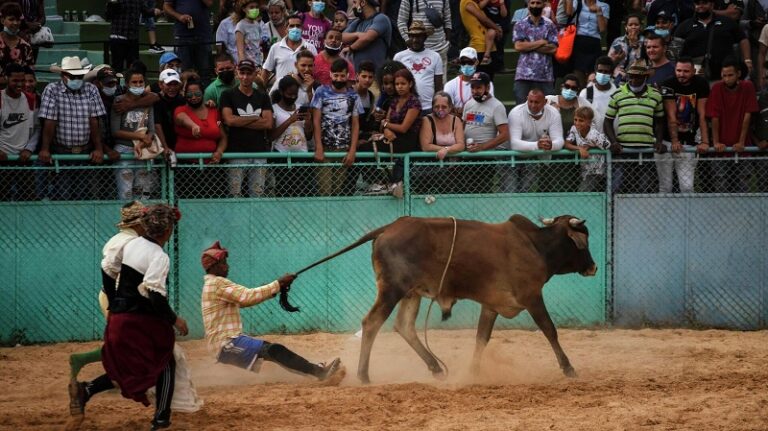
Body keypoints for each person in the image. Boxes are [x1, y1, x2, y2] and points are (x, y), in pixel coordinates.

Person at [68, 204, 188, 430]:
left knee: (129, 368)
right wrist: (174, 320)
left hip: (119, 319)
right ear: (168, 230)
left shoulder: (131, 245)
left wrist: (113, 303)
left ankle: (87, 390)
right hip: (140, 321)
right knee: (165, 362)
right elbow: (154, 294)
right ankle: (161, 419)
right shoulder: (159, 256)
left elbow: (107, 269)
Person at [199, 241, 345, 383]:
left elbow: (244, 297)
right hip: (226, 343)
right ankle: (318, 372)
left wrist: (274, 289)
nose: (227, 266)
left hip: (228, 341)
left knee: (273, 350)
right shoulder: (217, 283)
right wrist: (278, 284)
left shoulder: (214, 285)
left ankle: (316, 371)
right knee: (274, 350)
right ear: (214, 266)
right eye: (223, 263)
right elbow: (247, 297)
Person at [38, 56, 111, 200]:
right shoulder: (52, 89)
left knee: (85, 195)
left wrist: (98, 148)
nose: (77, 79)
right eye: (73, 76)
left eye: (79, 76)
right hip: (61, 151)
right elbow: (49, 121)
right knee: (63, 195)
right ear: (63, 75)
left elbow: (94, 120)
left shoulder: (91, 89)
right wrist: (45, 148)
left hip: (85, 151)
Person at [603, 59, 665, 194]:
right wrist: (613, 142)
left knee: (646, 188)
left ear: (645, 77)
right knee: (618, 187)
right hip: (623, 150)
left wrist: (659, 141)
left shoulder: (656, 95)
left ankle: (645, 215)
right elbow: (607, 121)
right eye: (631, 76)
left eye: (638, 77)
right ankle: (615, 214)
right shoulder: (617, 94)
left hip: (646, 150)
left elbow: (660, 121)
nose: (633, 80)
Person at [220, 59, 274, 197]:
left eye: (248, 73)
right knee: (234, 193)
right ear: (237, 73)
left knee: (257, 193)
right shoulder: (228, 95)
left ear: (255, 74)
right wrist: (255, 117)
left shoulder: (262, 96)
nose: (245, 76)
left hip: (259, 151)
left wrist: (240, 120)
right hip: (236, 152)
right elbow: (229, 121)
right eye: (242, 72)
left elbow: (268, 123)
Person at [705, 57, 758, 192]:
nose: (727, 79)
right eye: (724, 75)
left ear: (738, 74)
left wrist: (741, 142)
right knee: (721, 185)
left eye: (730, 75)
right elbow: (714, 116)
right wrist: (716, 142)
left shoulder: (747, 86)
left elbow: (748, 114)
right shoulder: (717, 88)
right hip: (721, 149)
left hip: (742, 147)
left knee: (743, 186)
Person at [657, 57, 709, 193]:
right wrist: (674, 140)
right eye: (678, 70)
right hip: (667, 140)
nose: (681, 74)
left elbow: (702, 114)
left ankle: (687, 214)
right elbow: (671, 114)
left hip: (689, 141)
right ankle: (664, 214)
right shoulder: (668, 83)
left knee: (687, 187)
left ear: (693, 71)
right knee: (665, 186)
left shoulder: (701, 83)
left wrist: (704, 141)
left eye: (686, 71)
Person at [311, 58, 362, 196]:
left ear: (347, 76)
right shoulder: (321, 92)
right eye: (336, 75)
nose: (339, 79)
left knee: (338, 191)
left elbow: (355, 124)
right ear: (330, 74)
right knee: (324, 191)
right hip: (325, 148)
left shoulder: (353, 96)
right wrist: (319, 147)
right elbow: (316, 120)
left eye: (342, 75)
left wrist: (352, 150)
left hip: (344, 149)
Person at [174, 79, 228, 197]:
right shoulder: (181, 110)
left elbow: (223, 136)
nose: (193, 97)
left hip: (211, 168)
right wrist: (193, 125)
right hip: (186, 169)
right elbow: (181, 118)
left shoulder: (214, 111)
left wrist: (219, 151)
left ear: (203, 93)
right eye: (189, 94)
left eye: (197, 94)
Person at [111, 68, 159, 200]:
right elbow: (115, 131)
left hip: (144, 150)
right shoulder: (118, 101)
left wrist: (146, 140)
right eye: (134, 82)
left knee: (143, 193)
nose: (138, 85)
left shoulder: (148, 101)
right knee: (125, 193)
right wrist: (140, 136)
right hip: (124, 150)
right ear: (127, 84)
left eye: (141, 82)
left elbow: (152, 129)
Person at [675, 0, 750, 82]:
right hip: (695, 76)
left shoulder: (727, 22)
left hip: (724, 75)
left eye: (704, 3)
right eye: (698, 3)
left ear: (712, 5)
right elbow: (675, 47)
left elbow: (743, 39)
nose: (701, 6)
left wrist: (747, 60)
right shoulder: (685, 26)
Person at [506, 87, 564, 192]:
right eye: (530, 101)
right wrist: (538, 145)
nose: (533, 105)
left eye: (537, 102)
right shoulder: (516, 113)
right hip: (510, 156)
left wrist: (551, 145)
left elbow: (559, 140)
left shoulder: (554, 113)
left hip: (532, 157)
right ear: (527, 99)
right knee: (510, 190)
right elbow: (514, 144)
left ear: (545, 102)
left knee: (526, 191)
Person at [462, 71, 509, 193]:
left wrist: (482, 147)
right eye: (472, 87)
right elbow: (462, 127)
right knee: (465, 192)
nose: (474, 91)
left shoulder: (497, 106)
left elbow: (505, 134)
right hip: (467, 156)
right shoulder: (468, 104)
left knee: (482, 192)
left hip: (485, 159)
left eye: (478, 87)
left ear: (487, 87)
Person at [0, 63, 38, 201]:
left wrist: (29, 148)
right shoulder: (1, 98)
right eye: (15, 80)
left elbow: (37, 128)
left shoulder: (31, 99)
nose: (20, 84)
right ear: (6, 78)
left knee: (29, 200)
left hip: (23, 159)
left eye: (22, 80)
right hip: (2, 160)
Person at [271, 75, 313, 196]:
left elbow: (308, 136)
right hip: (282, 156)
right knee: (284, 193)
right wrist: (290, 120)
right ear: (282, 92)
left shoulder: (300, 108)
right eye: (289, 94)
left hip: (302, 156)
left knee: (302, 192)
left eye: (295, 95)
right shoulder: (274, 109)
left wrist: (308, 122)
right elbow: (271, 136)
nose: (292, 97)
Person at [416, 91, 466, 194]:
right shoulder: (427, 120)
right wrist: (443, 149)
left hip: (453, 170)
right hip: (432, 169)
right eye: (437, 106)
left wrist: (446, 150)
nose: (440, 110)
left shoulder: (456, 120)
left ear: (450, 107)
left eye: (444, 107)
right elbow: (426, 146)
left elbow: (461, 144)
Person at [381, 68, 422, 189]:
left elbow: (404, 128)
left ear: (410, 84)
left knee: (365, 148)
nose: (399, 87)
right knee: (364, 146)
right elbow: (385, 122)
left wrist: (386, 125)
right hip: (392, 137)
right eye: (397, 84)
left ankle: (388, 183)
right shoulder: (394, 101)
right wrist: (386, 129)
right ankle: (382, 182)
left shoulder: (414, 102)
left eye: (403, 83)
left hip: (407, 140)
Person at [512, 0, 558, 105]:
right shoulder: (520, 24)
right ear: (528, 5)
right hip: (523, 75)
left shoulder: (549, 25)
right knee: (521, 108)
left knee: (548, 108)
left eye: (538, 3)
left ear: (543, 5)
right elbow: (518, 46)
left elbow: (553, 48)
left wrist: (528, 45)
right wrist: (542, 42)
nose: (535, 6)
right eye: (532, 3)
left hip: (545, 75)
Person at [393, 21, 444, 115]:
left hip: (428, 107)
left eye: (418, 36)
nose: (415, 40)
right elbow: (394, 83)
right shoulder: (399, 57)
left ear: (425, 37)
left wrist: (436, 105)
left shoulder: (435, 56)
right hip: (405, 107)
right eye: (412, 36)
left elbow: (439, 86)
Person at [262, 14, 317, 93]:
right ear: (286, 29)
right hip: (280, 94)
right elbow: (266, 70)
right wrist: (262, 92)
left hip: (304, 93)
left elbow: (315, 70)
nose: (295, 28)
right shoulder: (276, 47)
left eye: (298, 26)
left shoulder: (310, 47)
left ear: (302, 28)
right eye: (292, 26)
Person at [163, 0, 214, 84]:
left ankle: (205, 96)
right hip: (182, 35)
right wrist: (179, 16)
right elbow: (166, 6)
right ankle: (184, 95)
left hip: (203, 34)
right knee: (183, 72)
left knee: (205, 72)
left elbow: (209, 3)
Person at [563, 106, 611, 191]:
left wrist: (592, 145)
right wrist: (580, 148)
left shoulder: (594, 135)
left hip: (596, 170)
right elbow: (567, 144)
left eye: (581, 120)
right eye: (575, 119)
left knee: (582, 193)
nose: (577, 123)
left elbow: (607, 145)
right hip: (584, 169)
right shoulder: (574, 129)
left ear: (589, 122)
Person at [396, 0, 453, 72]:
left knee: (440, 81)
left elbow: (448, 20)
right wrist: (408, 40)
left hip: (440, 49)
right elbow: (401, 21)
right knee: (418, 81)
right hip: (416, 50)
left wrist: (447, 42)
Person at [566, 0, 610, 86]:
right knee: (578, 73)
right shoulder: (577, 2)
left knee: (592, 73)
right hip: (579, 40)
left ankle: (590, 95)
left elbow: (602, 29)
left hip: (594, 41)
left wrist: (599, 11)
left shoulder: (604, 6)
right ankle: (579, 95)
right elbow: (569, 13)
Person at [342, 0, 393, 72]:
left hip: (375, 75)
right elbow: (342, 37)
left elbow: (367, 38)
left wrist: (350, 48)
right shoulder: (358, 22)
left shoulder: (381, 18)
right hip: (358, 75)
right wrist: (357, 34)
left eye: (355, 2)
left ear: (363, 3)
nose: (353, 6)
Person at [443, 47, 494, 115]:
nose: (466, 65)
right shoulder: (450, 85)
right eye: (463, 62)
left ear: (476, 62)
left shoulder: (487, 84)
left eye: (470, 62)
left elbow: (489, 106)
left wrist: (466, 113)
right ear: (460, 63)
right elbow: (448, 110)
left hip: (479, 122)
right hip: (457, 123)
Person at [459, 0, 500, 71]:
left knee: (488, 78)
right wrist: (498, 29)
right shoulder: (467, 2)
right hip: (478, 46)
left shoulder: (475, 4)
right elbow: (484, 20)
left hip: (488, 45)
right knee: (480, 77)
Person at [580, 56, 616, 133]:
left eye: (606, 72)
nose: (603, 74)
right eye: (600, 71)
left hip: (614, 139)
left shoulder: (618, 93)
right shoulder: (585, 93)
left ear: (611, 73)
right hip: (592, 141)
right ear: (595, 71)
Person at [154, 69, 186, 154]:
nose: (172, 88)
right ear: (160, 84)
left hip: (179, 145)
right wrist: (165, 147)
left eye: (175, 84)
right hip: (160, 146)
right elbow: (157, 125)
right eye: (169, 84)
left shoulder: (182, 100)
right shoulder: (155, 100)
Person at [105, 0, 143, 73]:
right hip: (118, 37)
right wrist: (113, 5)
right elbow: (108, 16)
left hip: (132, 38)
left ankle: (131, 83)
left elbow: (145, 11)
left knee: (134, 67)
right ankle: (116, 83)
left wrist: (155, 11)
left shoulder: (138, 1)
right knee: (117, 67)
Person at [608, 13, 644, 85]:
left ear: (640, 27)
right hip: (618, 79)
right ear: (626, 27)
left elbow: (645, 64)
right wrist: (616, 60)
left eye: (636, 25)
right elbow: (608, 63)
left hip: (636, 81)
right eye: (630, 25)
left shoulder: (645, 42)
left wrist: (635, 46)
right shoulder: (618, 41)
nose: (633, 27)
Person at [0, 3, 34, 78]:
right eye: (11, 19)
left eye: (18, 19)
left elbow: (29, 75)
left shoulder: (26, 47)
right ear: (2, 21)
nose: (15, 23)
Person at [235, 0, 265, 67]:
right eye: (251, 7)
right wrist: (244, 66)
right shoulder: (241, 26)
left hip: (259, 64)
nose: (255, 9)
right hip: (249, 66)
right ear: (244, 9)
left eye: (256, 7)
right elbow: (240, 52)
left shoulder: (257, 24)